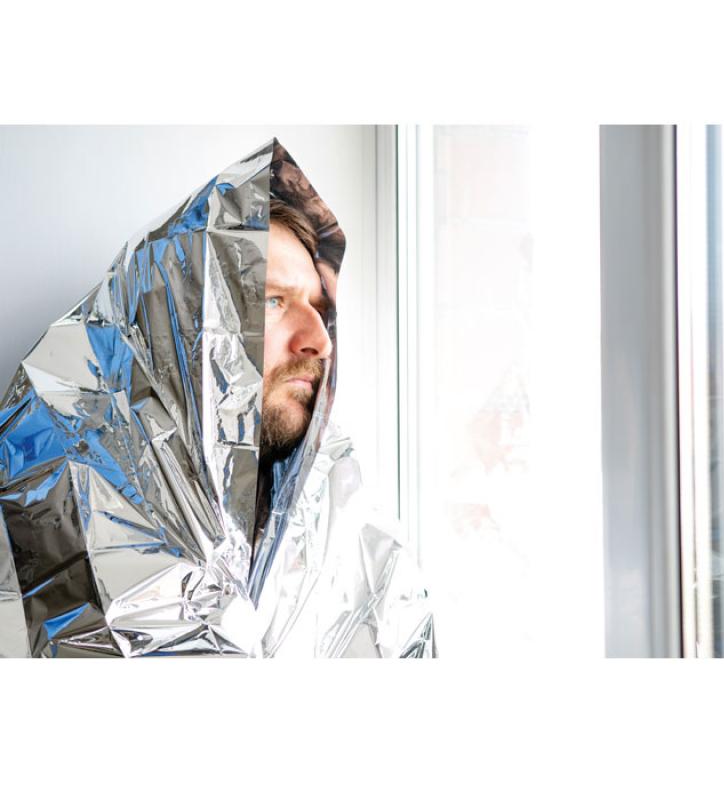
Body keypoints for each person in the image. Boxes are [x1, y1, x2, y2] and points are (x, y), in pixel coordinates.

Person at [0, 138, 435, 658]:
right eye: (273, 301)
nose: (320, 340)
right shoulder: (64, 496)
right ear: (183, 330)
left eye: (320, 309)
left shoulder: (335, 505)